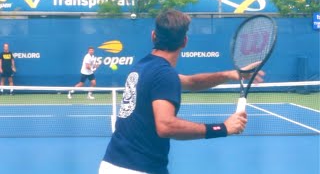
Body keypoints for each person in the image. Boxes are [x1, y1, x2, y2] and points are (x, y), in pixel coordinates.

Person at [100, 9, 265, 174]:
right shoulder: (164, 74)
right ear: (185, 41)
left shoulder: (143, 66)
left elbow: (191, 82)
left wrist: (230, 74)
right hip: (137, 169)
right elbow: (165, 126)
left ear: (153, 36)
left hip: (111, 163)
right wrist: (223, 127)